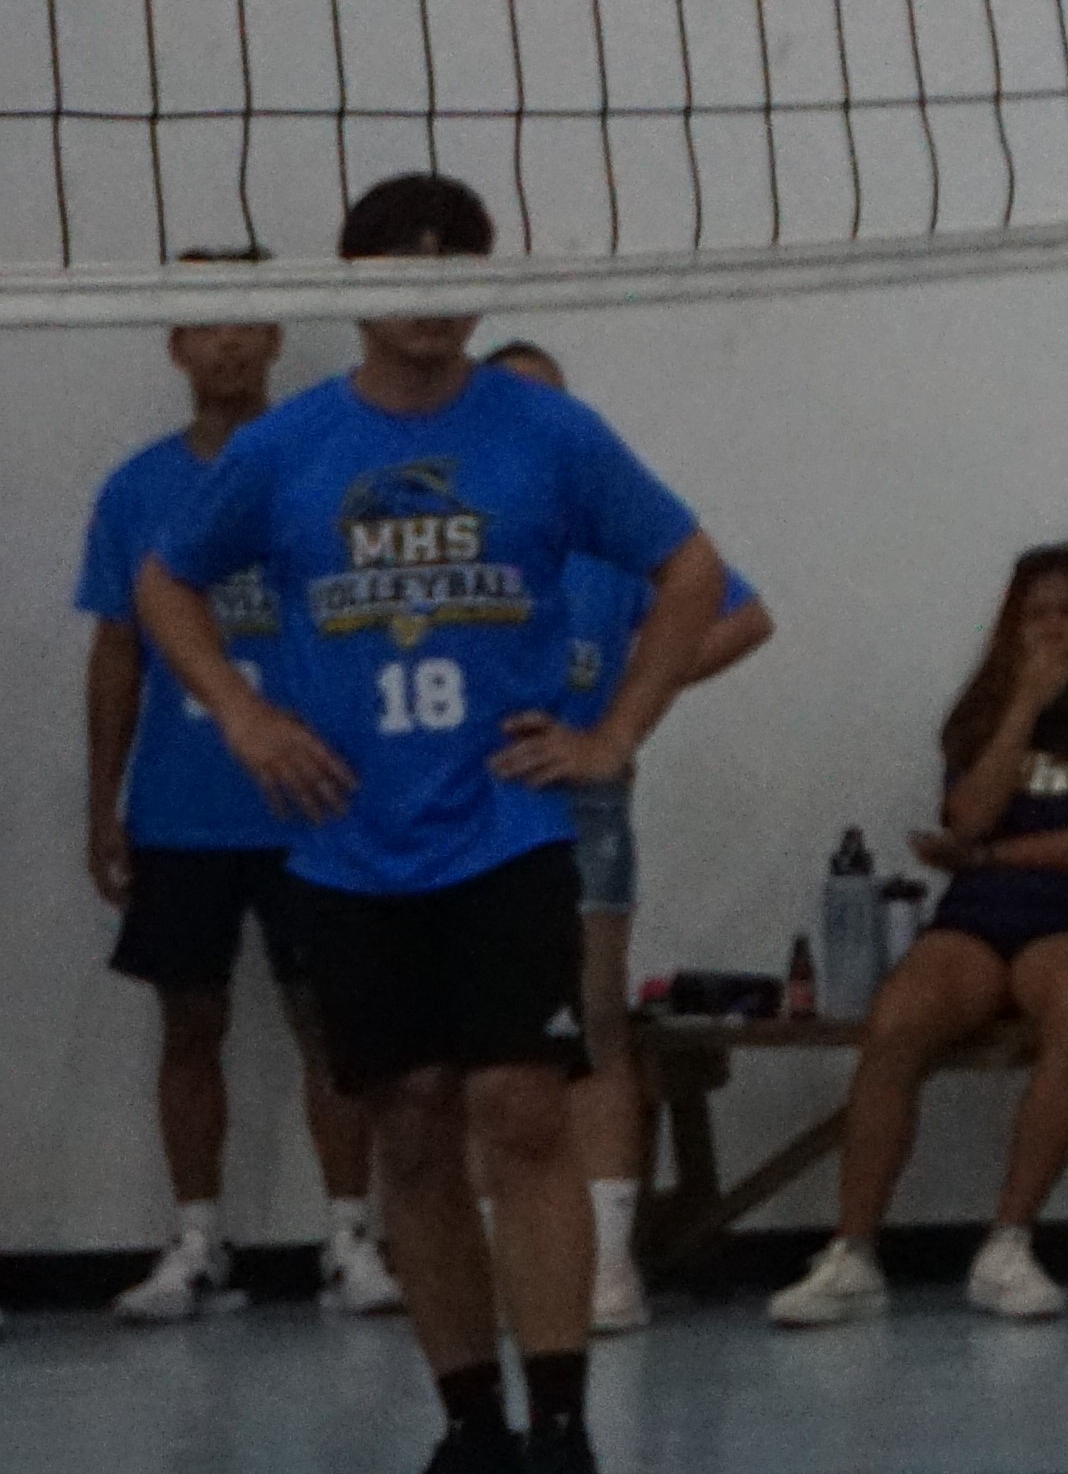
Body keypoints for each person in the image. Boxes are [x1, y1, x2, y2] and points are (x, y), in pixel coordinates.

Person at [138, 173, 730, 1474]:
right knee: (407, 1115)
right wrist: (241, 714)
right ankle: (472, 1422)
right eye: (402, 273)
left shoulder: (546, 434)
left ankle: (563, 1419)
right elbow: (165, 577)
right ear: (355, 287)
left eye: (453, 268)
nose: (430, 300)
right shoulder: (288, 449)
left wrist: (615, 730)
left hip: (508, 830)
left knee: (521, 1103)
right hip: (349, 841)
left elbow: (692, 571)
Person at [76, 250, 399, 1323]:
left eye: (244, 322)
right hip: (181, 809)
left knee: (333, 1021)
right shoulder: (137, 487)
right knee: (188, 1022)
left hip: (311, 796)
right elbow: (119, 649)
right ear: (175, 343)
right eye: (203, 324)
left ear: (273, 338)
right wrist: (102, 802)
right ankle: (198, 1241)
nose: (224, 341)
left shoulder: (323, 466)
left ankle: (350, 1238)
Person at [764, 545, 1068, 1329]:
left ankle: (1008, 1243)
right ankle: (852, 1254)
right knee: (897, 1020)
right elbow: (967, 816)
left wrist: (986, 857)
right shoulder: (980, 715)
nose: (1054, 631)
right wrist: (1022, 707)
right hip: (977, 920)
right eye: (1037, 614)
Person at [483, 342, 772, 1337]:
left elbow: (741, 617)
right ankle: (505, 1253)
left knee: (594, 1023)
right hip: (460, 802)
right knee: (479, 1042)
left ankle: (609, 1262)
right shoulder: (454, 525)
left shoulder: (606, 528)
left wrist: (620, 716)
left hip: (578, 802)